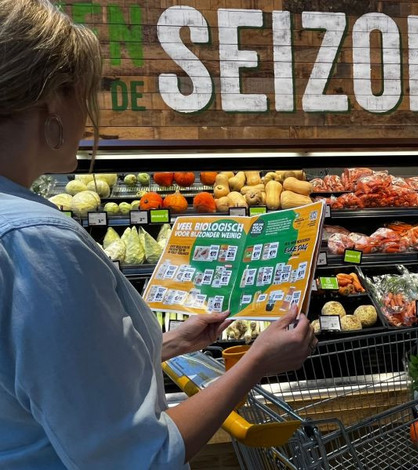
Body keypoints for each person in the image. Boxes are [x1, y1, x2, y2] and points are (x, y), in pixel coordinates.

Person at [0, 0, 317, 468]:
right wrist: (255, 364)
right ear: (53, 100)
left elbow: (44, 374)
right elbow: (141, 456)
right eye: (84, 94)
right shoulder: (36, 242)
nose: (88, 116)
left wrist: (171, 343)